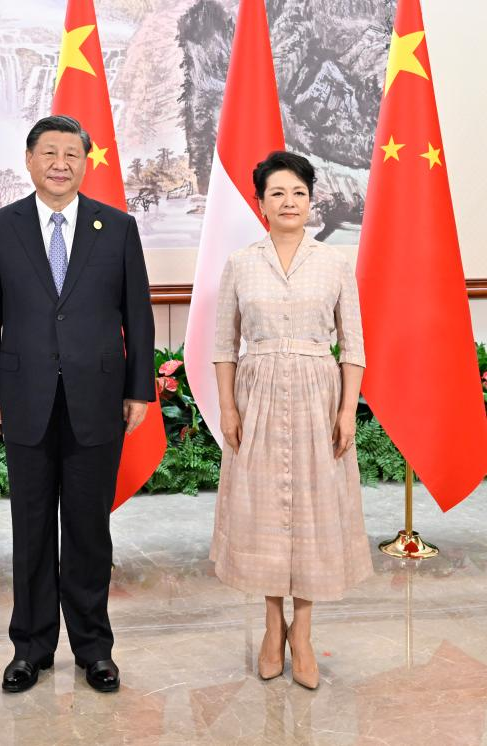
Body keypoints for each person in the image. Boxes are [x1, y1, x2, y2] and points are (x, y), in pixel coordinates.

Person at [0, 115, 155, 694]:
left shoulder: (117, 228)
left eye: (71, 154)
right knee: (29, 530)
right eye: (49, 152)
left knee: (87, 530)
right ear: (28, 160)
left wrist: (139, 388)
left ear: (86, 162)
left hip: (96, 399)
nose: (60, 163)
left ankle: (94, 648)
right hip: (24, 398)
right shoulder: (1, 227)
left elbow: (138, 316)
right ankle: (30, 647)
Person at [211, 151, 372, 690]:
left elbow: (353, 345)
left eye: (298, 192)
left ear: (312, 199)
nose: (288, 202)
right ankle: (270, 626)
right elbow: (222, 345)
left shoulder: (335, 263)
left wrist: (348, 410)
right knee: (262, 512)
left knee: (311, 511)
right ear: (260, 203)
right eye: (277, 193)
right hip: (256, 396)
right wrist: (228, 407)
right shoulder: (240, 263)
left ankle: (302, 633)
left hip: (317, 397)